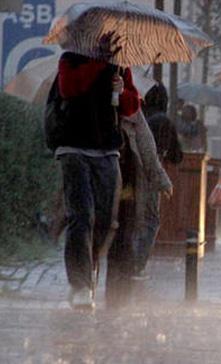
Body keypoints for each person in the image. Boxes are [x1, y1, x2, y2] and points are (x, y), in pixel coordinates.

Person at [47, 34, 140, 309]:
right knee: (81, 216)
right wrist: (99, 63)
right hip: (73, 148)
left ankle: (89, 266)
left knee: (105, 220)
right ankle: (80, 284)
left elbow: (131, 107)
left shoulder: (120, 66)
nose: (106, 45)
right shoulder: (70, 59)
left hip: (107, 149)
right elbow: (69, 88)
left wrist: (122, 89)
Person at [105, 109, 173, 307]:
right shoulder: (98, 106)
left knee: (123, 238)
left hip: (128, 188)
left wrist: (162, 180)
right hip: (106, 185)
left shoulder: (132, 111)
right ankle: (113, 291)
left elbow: (148, 150)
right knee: (113, 238)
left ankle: (119, 293)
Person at [130, 84, 183, 278]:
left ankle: (125, 260)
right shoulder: (163, 121)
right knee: (150, 219)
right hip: (150, 172)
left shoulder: (136, 116)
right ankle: (137, 264)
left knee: (131, 216)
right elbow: (177, 156)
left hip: (128, 169)